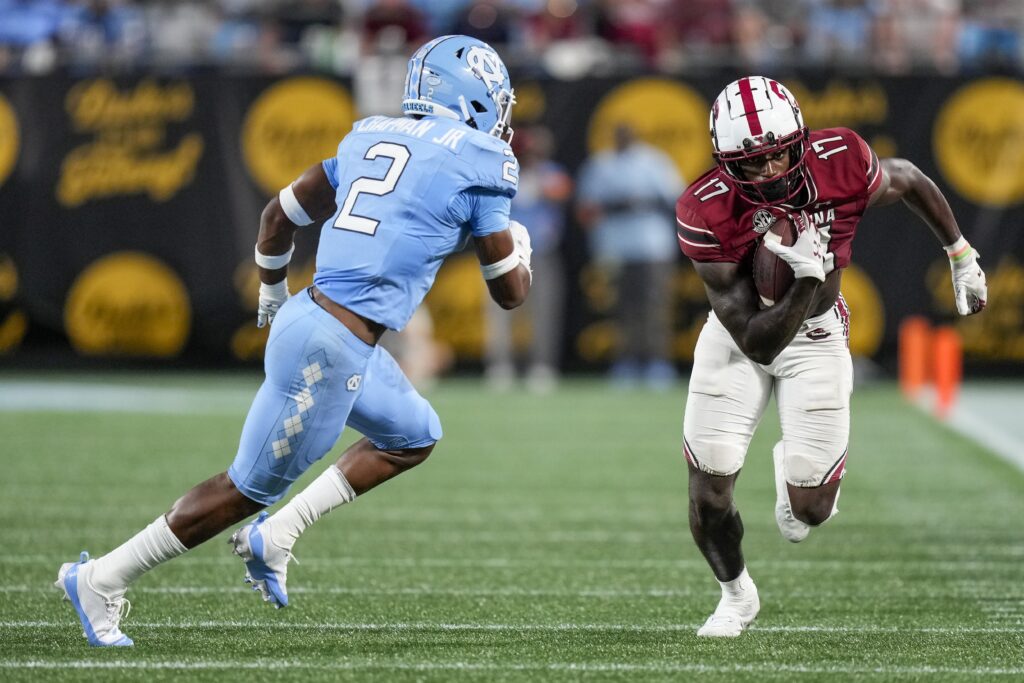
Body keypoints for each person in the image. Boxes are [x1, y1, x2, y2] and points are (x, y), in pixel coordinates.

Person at [54, 34, 531, 647]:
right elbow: (511, 295)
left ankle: (276, 536)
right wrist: (520, 249)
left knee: (414, 435)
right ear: (473, 98)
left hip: (319, 321)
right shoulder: (482, 162)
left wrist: (272, 297)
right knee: (242, 490)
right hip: (331, 349)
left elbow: (276, 218)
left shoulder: (371, 135)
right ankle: (100, 578)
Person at [675, 76, 987, 637]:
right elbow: (754, 338)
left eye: (777, 157)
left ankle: (794, 470)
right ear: (726, 164)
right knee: (710, 489)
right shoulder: (706, 208)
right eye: (752, 164)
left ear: (800, 140)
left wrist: (960, 254)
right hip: (739, 339)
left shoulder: (839, 162)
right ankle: (735, 595)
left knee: (811, 510)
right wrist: (804, 277)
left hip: (816, 336)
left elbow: (909, 179)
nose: (769, 172)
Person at [576, 123, 683, 389]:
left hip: (651, 246)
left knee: (654, 308)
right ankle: (626, 363)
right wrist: (617, 205)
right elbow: (586, 209)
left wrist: (640, 202)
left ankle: (657, 364)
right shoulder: (601, 165)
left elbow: (676, 199)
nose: (623, 137)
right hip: (616, 247)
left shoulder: (653, 161)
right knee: (622, 309)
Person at [484, 124, 572, 392]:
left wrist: (542, 185)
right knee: (501, 312)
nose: (532, 154)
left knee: (543, 313)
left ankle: (541, 366)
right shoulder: (506, 171)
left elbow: (563, 191)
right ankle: (501, 365)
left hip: (542, 251)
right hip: (506, 252)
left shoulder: (551, 173)